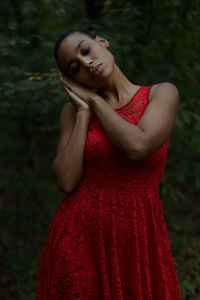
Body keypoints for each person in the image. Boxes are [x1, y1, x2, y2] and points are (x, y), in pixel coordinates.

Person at [35, 29, 182, 299]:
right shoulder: (72, 111)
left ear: (101, 42)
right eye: (74, 67)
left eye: (85, 50)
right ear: (72, 80)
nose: (86, 62)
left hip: (138, 236)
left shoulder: (160, 94)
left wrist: (93, 100)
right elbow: (66, 181)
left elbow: (137, 146)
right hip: (79, 239)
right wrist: (82, 112)